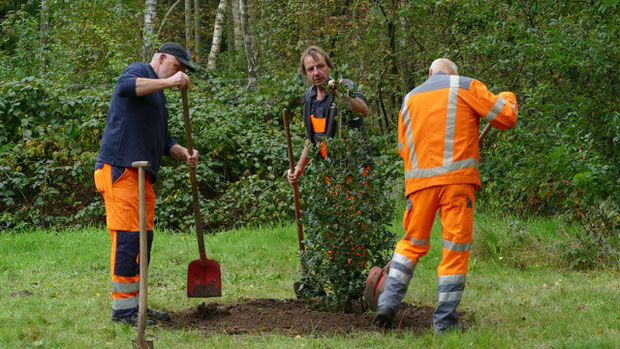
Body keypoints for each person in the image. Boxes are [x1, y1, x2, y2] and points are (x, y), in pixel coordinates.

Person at [373, 58, 518, 333]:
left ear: (430, 74)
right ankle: (444, 324)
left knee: (410, 245)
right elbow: (506, 117)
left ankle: (388, 303)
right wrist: (507, 96)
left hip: (418, 187)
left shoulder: (410, 98)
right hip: (456, 185)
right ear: (454, 73)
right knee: (454, 251)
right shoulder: (464, 86)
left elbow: (404, 147)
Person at [94, 42, 198, 327]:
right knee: (129, 239)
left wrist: (184, 152)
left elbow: (164, 140)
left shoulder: (158, 98)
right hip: (122, 170)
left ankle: (137, 306)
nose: (179, 75)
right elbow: (125, 87)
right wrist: (168, 80)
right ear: (162, 58)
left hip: (142, 177)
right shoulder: (139, 72)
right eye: (177, 67)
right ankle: (124, 310)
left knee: (143, 241)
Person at [287, 45, 370, 185]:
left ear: (329, 67)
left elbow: (364, 111)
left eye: (320, 66)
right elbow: (311, 139)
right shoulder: (309, 98)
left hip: (356, 172)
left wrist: (342, 94)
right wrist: (299, 167)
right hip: (330, 174)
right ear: (306, 73)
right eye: (310, 69)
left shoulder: (345, 86)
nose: (316, 72)